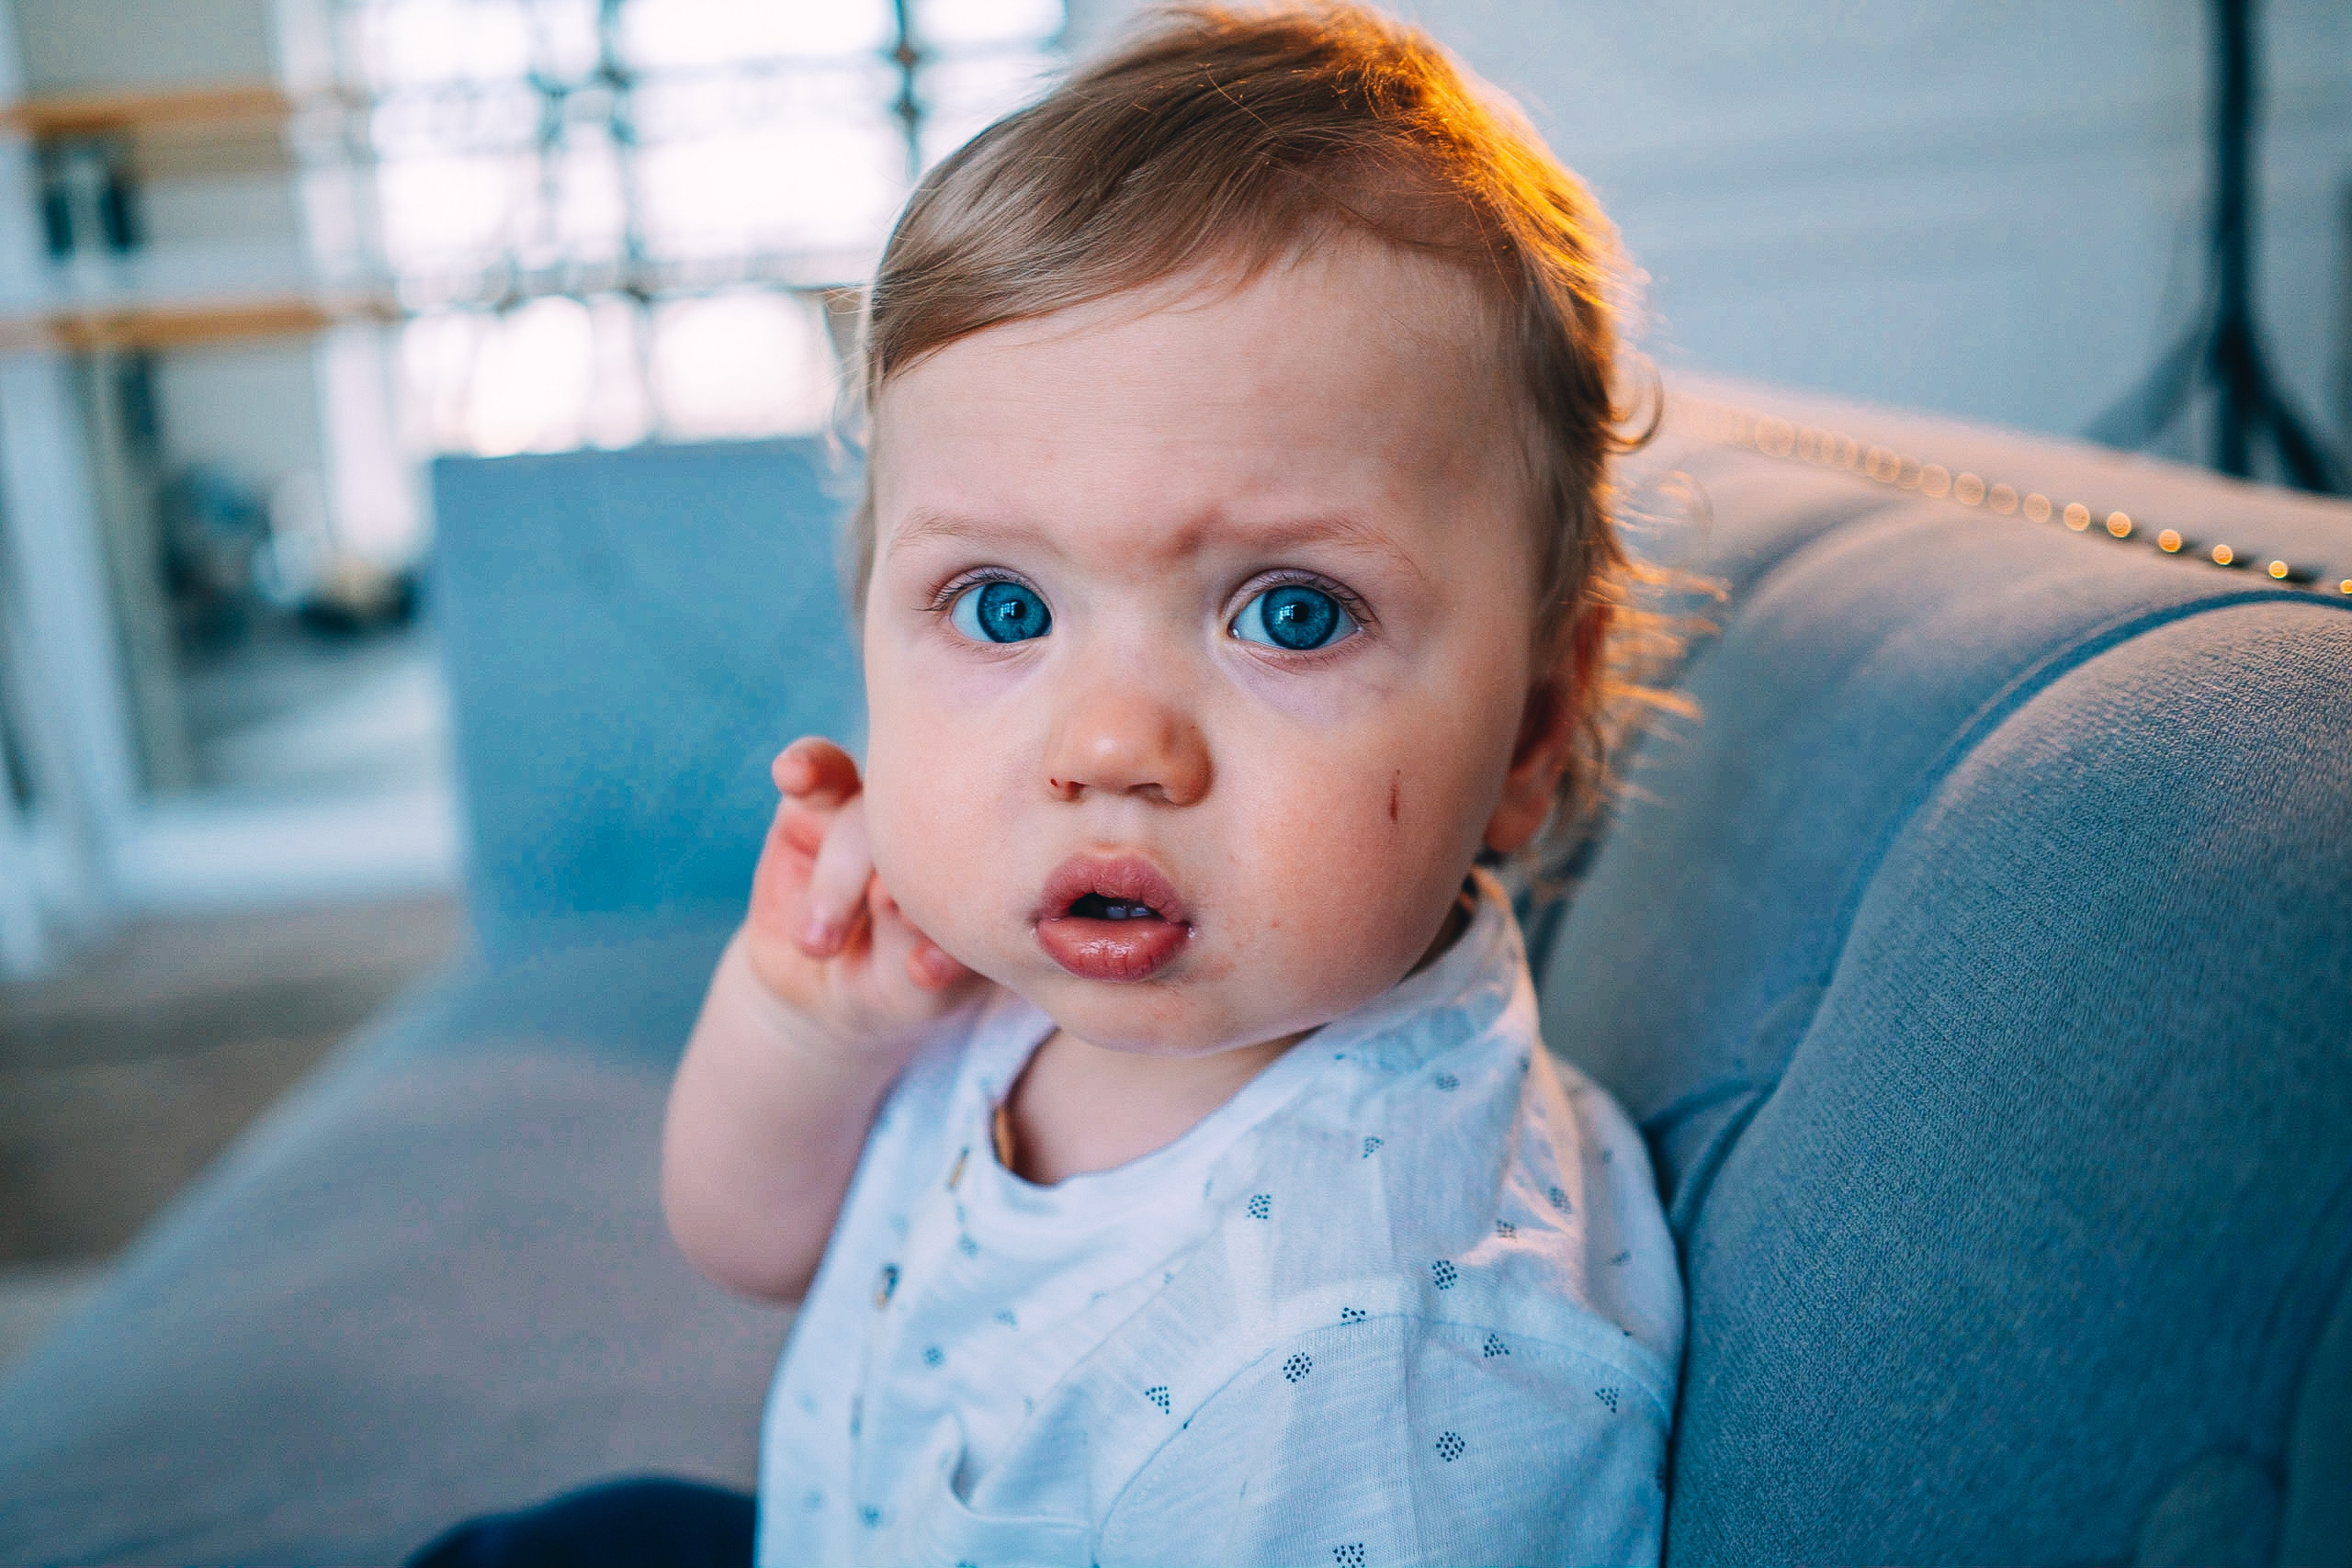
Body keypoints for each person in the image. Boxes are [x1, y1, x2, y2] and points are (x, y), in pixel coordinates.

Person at [413, 4, 1681, 1564]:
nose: (1109, 749)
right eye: (1005, 609)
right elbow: (748, 1241)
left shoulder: (1373, 1373)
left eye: (1288, 613)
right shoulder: (1007, 968)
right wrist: (811, 1023)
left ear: (1535, 724)